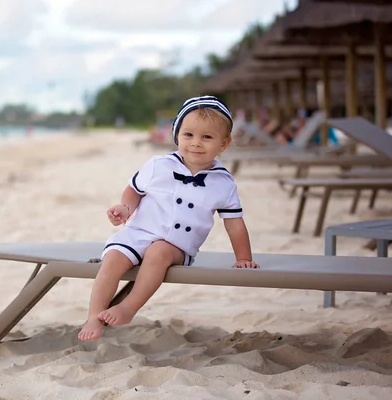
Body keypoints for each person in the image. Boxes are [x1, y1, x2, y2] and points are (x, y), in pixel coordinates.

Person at [78, 96, 260, 341]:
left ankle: (128, 307)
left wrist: (244, 258)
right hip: (138, 233)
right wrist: (125, 208)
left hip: (177, 244)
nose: (196, 143)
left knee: (158, 253)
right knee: (113, 259)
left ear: (224, 143)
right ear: (177, 136)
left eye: (207, 137)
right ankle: (93, 315)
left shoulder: (223, 183)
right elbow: (134, 190)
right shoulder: (158, 165)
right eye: (188, 135)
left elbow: (235, 224)